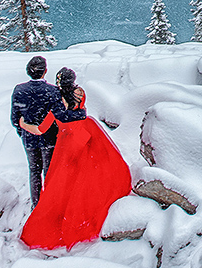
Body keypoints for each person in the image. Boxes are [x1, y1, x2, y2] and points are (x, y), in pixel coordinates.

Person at [18, 67, 132, 249]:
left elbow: (40, 129)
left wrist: (23, 124)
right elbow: (82, 109)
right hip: (87, 132)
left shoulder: (56, 103)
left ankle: (68, 218)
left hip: (68, 140)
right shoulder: (80, 92)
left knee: (64, 182)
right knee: (90, 173)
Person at [10, 55, 68, 207]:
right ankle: (50, 205)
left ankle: (36, 205)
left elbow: (15, 117)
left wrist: (23, 132)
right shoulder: (53, 91)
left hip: (29, 138)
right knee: (49, 172)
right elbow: (60, 116)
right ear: (45, 71)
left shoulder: (19, 90)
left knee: (34, 171)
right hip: (50, 138)